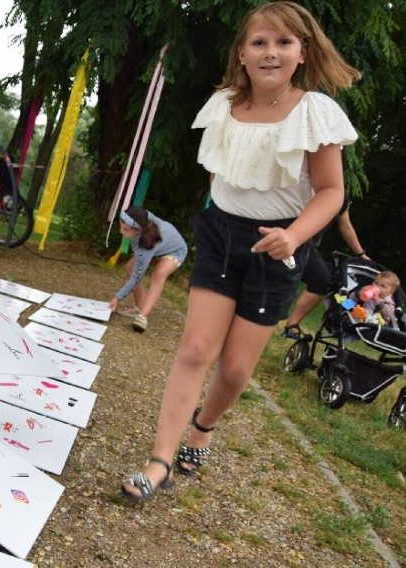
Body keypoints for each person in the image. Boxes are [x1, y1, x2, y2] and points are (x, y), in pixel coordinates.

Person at [121, 1, 360, 501]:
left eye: (283, 43)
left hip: (279, 246)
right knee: (194, 349)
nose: (271, 52)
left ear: (302, 53)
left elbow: (331, 193)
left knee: (233, 369)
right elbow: (221, 172)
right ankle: (159, 459)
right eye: (259, 42)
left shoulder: (315, 113)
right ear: (243, 54)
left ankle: (202, 429)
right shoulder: (223, 106)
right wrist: (223, 217)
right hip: (220, 235)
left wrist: (294, 235)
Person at [281, 193, 369, 339]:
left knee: (322, 280)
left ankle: (291, 326)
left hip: (305, 246)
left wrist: (361, 255)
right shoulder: (305, 183)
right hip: (282, 235)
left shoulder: (341, 195)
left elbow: (345, 225)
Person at [108, 207, 188, 332]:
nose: (121, 232)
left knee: (158, 275)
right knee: (130, 267)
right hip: (159, 242)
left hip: (176, 250)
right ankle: (139, 306)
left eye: (126, 229)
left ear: (138, 230)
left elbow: (137, 276)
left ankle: (143, 316)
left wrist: (117, 297)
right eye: (121, 226)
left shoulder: (145, 246)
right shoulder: (141, 217)